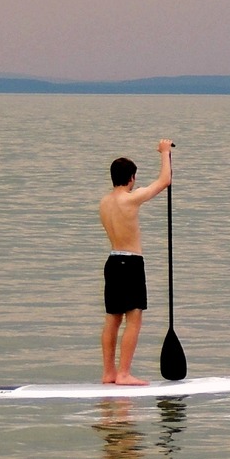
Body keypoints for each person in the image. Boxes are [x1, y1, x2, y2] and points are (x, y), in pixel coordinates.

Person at [98, 140, 172, 384]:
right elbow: (164, 182)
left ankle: (109, 372)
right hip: (130, 264)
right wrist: (165, 153)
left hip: (112, 261)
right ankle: (124, 374)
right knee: (134, 318)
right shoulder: (129, 199)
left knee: (112, 319)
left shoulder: (104, 203)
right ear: (131, 178)